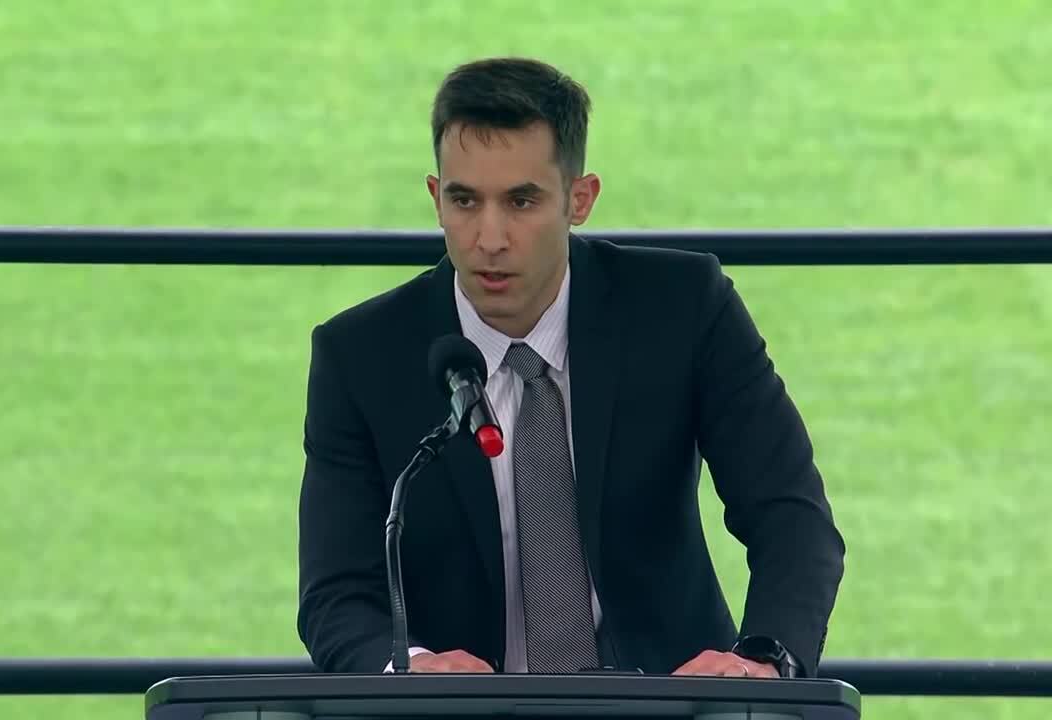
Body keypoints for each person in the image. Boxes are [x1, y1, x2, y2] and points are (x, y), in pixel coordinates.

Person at [296, 57, 846, 678]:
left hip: (663, 707)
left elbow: (792, 519)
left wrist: (764, 662)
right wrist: (411, 668)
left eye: (522, 201)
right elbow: (334, 596)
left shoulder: (685, 309)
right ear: (434, 197)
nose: (490, 237)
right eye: (464, 201)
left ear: (579, 199)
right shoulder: (361, 356)